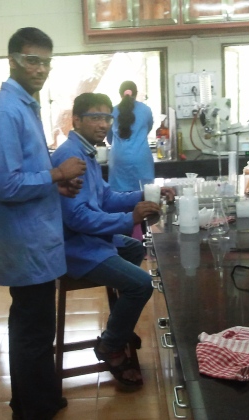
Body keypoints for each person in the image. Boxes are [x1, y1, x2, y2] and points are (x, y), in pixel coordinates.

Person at [0, 27, 86, 420]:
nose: (40, 69)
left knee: (34, 327)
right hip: (23, 242)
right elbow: (7, 185)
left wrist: (55, 186)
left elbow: (25, 172)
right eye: (32, 60)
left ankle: (33, 400)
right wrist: (57, 174)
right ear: (12, 60)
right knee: (33, 330)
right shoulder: (5, 111)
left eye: (46, 62)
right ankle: (33, 410)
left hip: (34, 237)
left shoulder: (24, 105)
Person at [51, 92, 174, 387]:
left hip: (90, 241)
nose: (103, 124)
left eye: (107, 117)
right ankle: (110, 345)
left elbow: (105, 198)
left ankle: (120, 325)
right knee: (141, 284)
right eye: (95, 117)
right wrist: (129, 218)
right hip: (76, 249)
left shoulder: (87, 152)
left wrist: (144, 195)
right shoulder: (70, 156)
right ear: (76, 120)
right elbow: (77, 218)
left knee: (133, 248)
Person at [106, 81, 154, 192]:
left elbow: (109, 137)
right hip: (142, 159)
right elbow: (148, 129)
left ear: (120, 94)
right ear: (136, 93)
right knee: (144, 194)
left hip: (118, 159)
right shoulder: (146, 110)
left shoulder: (112, 112)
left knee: (118, 196)